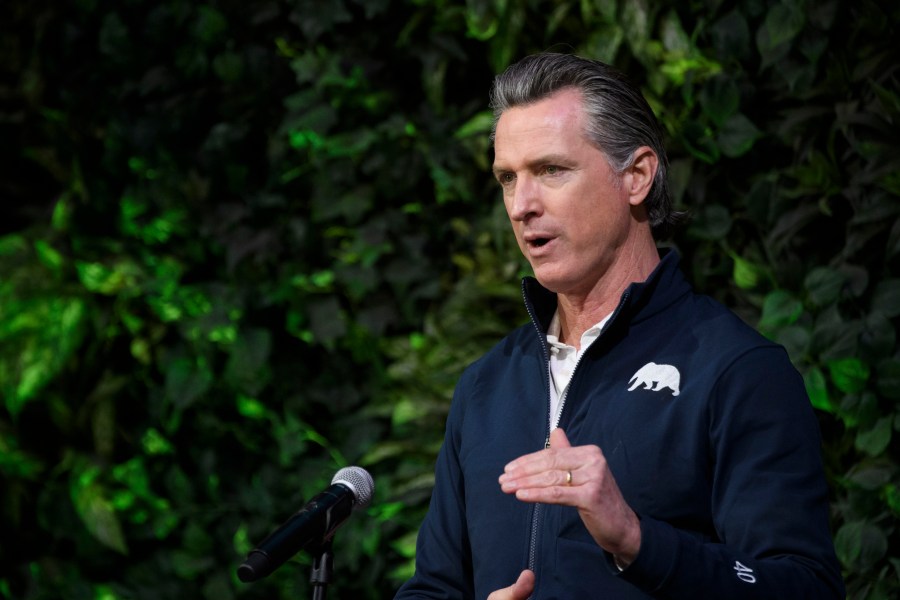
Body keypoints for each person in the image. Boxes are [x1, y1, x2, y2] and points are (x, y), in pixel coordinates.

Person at [394, 52, 844, 599]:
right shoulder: (485, 386)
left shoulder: (735, 371)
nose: (521, 205)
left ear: (636, 176)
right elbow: (432, 589)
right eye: (508, 178)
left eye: (551, 170)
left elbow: (805, 589)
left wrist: (636, 540)